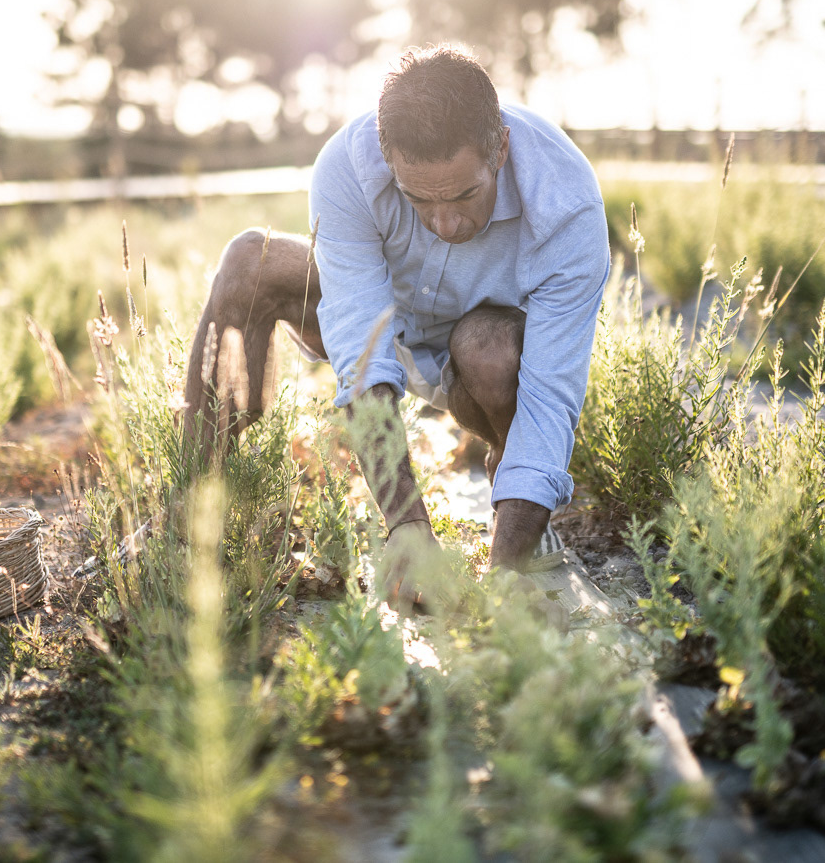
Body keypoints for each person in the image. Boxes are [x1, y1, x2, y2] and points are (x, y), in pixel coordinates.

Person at [182, 45, 609, 610]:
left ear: (499, 148)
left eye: (464, 195)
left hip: (478, 345)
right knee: (247, 263)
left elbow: (550, 397)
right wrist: (408, 529)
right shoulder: (346, 166)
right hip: (385, 308)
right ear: (388, 158)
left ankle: (521, 514)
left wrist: (505, 577)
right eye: (419, 200)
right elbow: (362, 342)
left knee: (492, 352)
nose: (445, 223)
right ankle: (188, 510)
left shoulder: (567, 205)